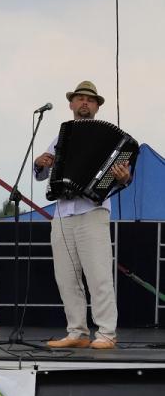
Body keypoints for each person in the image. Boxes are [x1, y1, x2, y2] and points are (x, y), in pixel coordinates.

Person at [34, 81, 131, 350]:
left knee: (98, 275)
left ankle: (107, 333)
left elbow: (123, 177)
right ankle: (76, 331)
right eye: (80, 98)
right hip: (62, 213)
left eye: (90, 100)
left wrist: (124, 177)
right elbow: (42, 173)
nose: (84, 103)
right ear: (71, 104)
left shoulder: (113, 140)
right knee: (66, 277)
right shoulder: (61, 137)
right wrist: (39, 164)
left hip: (92, 211)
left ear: (97, 106)